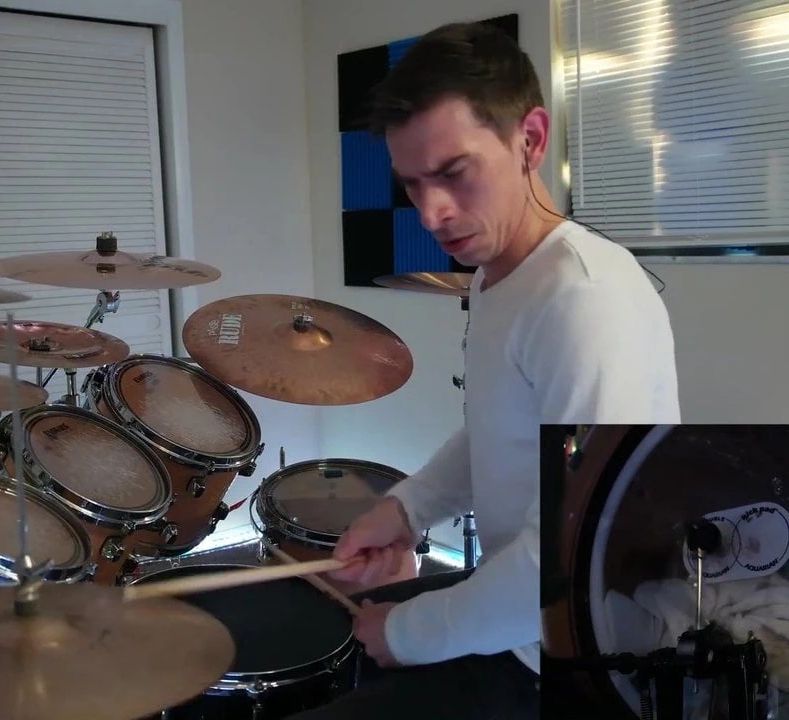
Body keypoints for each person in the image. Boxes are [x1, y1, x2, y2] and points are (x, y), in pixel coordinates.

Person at [287, 20, 680, 720]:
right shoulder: (497, 276)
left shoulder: (584, 299)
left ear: (530, 139)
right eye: (413, 185)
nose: (431, 213)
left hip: (568, 655)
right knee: (332, 646)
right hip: (519, 615)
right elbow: (497, 431)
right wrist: (404, 511)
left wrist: (408, 634)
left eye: (453, 174)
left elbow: (578, 550)